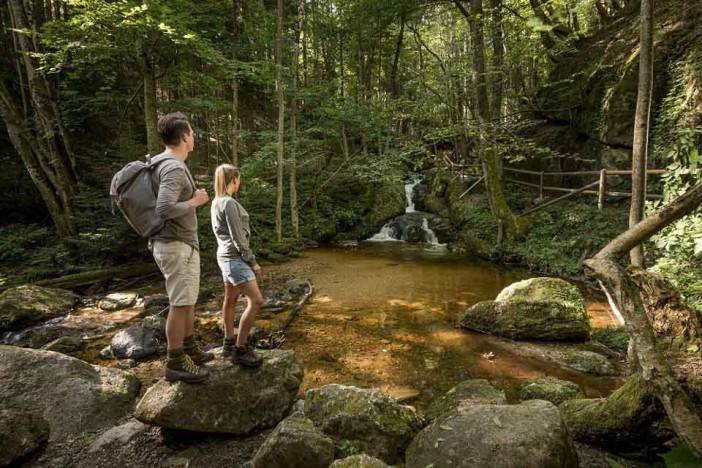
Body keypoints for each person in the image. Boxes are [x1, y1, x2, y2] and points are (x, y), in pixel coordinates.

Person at [150, 112, 213, 383]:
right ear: (184, 136)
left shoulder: (158, 162)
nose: (194, 137)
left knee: (187, 299)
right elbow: (163, 208)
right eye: (192, 133)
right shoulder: (174, 166)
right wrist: (196, 201)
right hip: (174, 243)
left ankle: (189, 347)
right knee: (179, 302)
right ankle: (175, 361)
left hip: (176, 243)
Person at [211, 164, 265, 367]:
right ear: (234, 180)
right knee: (257, 301)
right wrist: (252, 261)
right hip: (235, 258)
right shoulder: (229, 203)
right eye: (238, 179)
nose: (239, 183)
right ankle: (240, 349)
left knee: (231, 299)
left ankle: (228, 342)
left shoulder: (216, 202)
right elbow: (238, 238)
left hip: (224, 257)